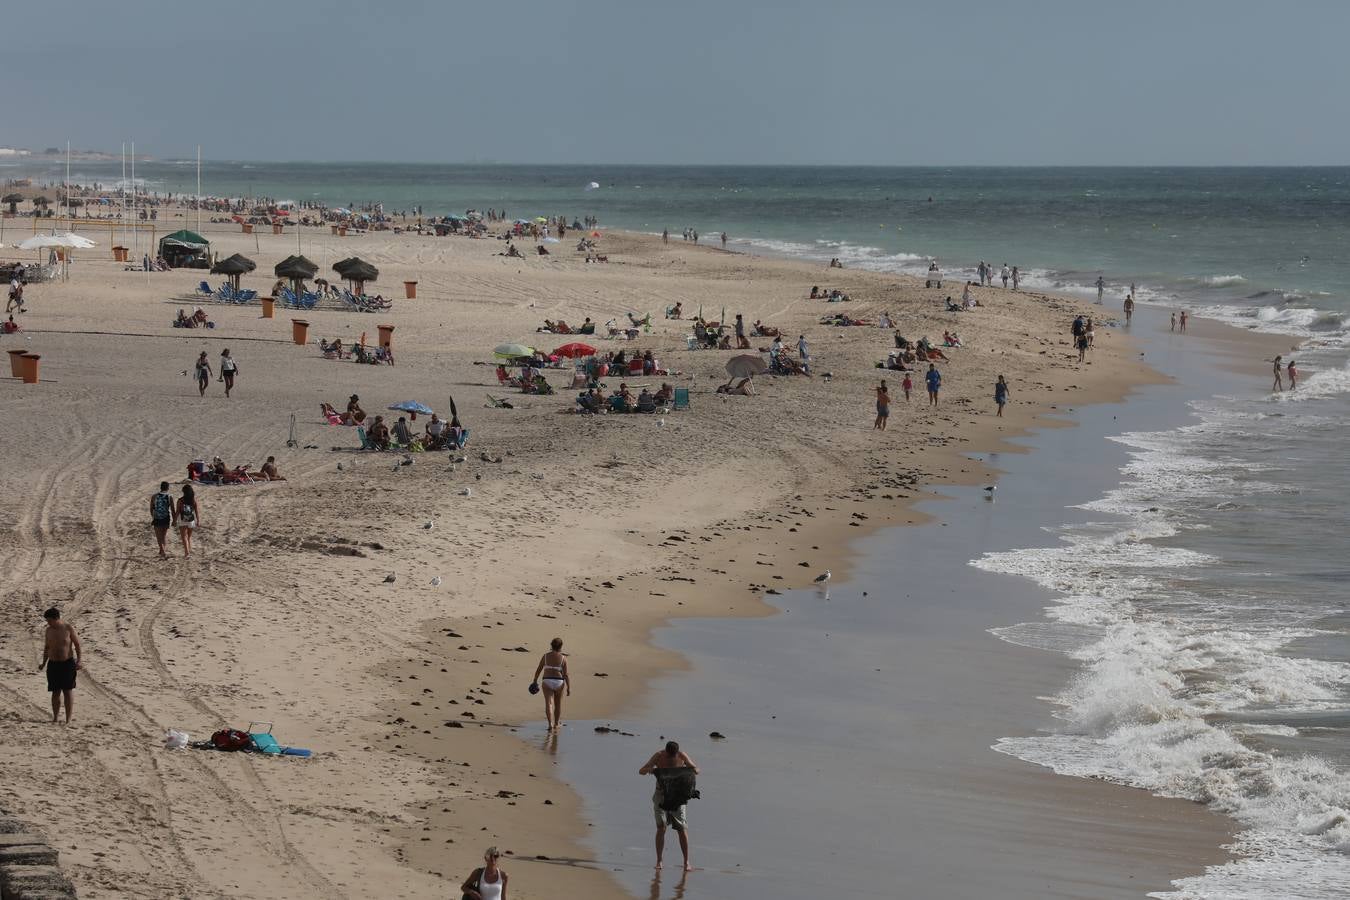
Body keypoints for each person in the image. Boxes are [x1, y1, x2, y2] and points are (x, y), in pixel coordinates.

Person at [640, 741, 699, 871]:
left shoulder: (682, 756)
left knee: (682, 829)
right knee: (661, 827)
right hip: (660, 795)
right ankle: (659, 861)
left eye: (673, 755)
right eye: (669, 755)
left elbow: (697, 770)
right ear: (665, 751)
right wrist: (651, 769)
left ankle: (686, 862)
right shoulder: (658, 756)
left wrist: (690, 768)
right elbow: (641, 771)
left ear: (677, 753)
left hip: (678, 797)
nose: (671, 757)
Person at [39, 607, 81, 724]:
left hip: (67, 663)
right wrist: (43, 663)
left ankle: (68, 719)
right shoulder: (48, 630)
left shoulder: (68, 628)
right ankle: (55, 717)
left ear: (56, 618)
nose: (48, 623)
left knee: (67, 691)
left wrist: (79, 661)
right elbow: (47, 647)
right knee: (55, 691)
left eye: (49, 620)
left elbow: (77, 645)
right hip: (53, 664)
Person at [532, 637, 571, 732]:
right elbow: (566, 674)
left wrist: (535, 680)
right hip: (559, 681)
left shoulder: (545, 656)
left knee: (549, 704)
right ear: (561, 646)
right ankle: (556, 724)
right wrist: (569, 687)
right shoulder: (563, 658)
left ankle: (550, 724)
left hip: (547, 681)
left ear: (551, 645)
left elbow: (539, 669)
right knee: (558, 704)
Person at [150, 480, 176, 559]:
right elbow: (172, 509)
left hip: (157, 518)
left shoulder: (154, 496)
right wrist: (174, 520)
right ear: (168, 488)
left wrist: (153, 516)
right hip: (166, 518)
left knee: (159, 537)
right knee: (163, 536)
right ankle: (161, 551)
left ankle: (163, 552)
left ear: (160, 487)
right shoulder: (169, 496)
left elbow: (151, 508)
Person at [176, 484, 201, 558]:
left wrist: (174, 520)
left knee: (184, 536)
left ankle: (187, 553)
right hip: (191, 520)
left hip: (182, 519)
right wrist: (198, 521)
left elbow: (177, 511)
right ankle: (189, 549)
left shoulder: (180, 500)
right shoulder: (193, 500)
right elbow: (196, 511)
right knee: (189, 536)